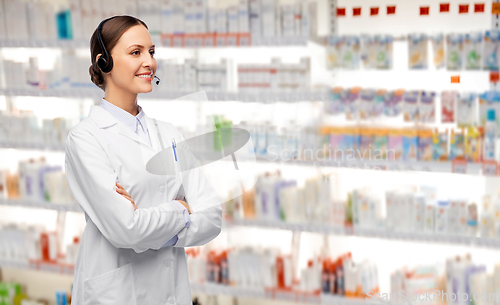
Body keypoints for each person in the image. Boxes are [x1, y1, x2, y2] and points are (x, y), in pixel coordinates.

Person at [64, 15, 222, 305]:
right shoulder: (85, 138)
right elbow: (127, 230)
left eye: (151, 51)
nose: (149, 62)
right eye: (136, 52)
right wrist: (181, 208)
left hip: (171, 292)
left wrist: (156, 231)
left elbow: (212, 216)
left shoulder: (169, 133)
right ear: (104, 63)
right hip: (117, 294)